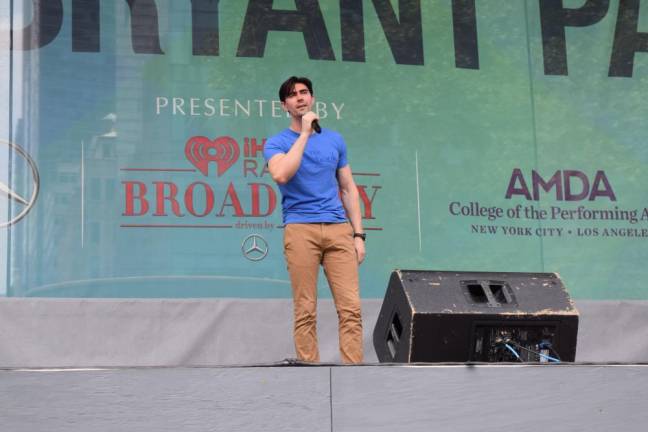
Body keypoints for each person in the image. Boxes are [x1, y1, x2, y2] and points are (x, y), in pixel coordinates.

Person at [263, 76, 366, 364]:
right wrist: (305, 134)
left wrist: (358, 235)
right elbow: (282, 174)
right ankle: (310, 375)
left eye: (304, 92)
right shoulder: (277, 142)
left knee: (351, 309)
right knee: (305, 309)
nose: (300, 98)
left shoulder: (335, 139)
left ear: (312, 98)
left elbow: (348, 188)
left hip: (338, 229)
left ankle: (353, 373)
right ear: (284, 105)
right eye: (293, 95)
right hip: (300, 228)